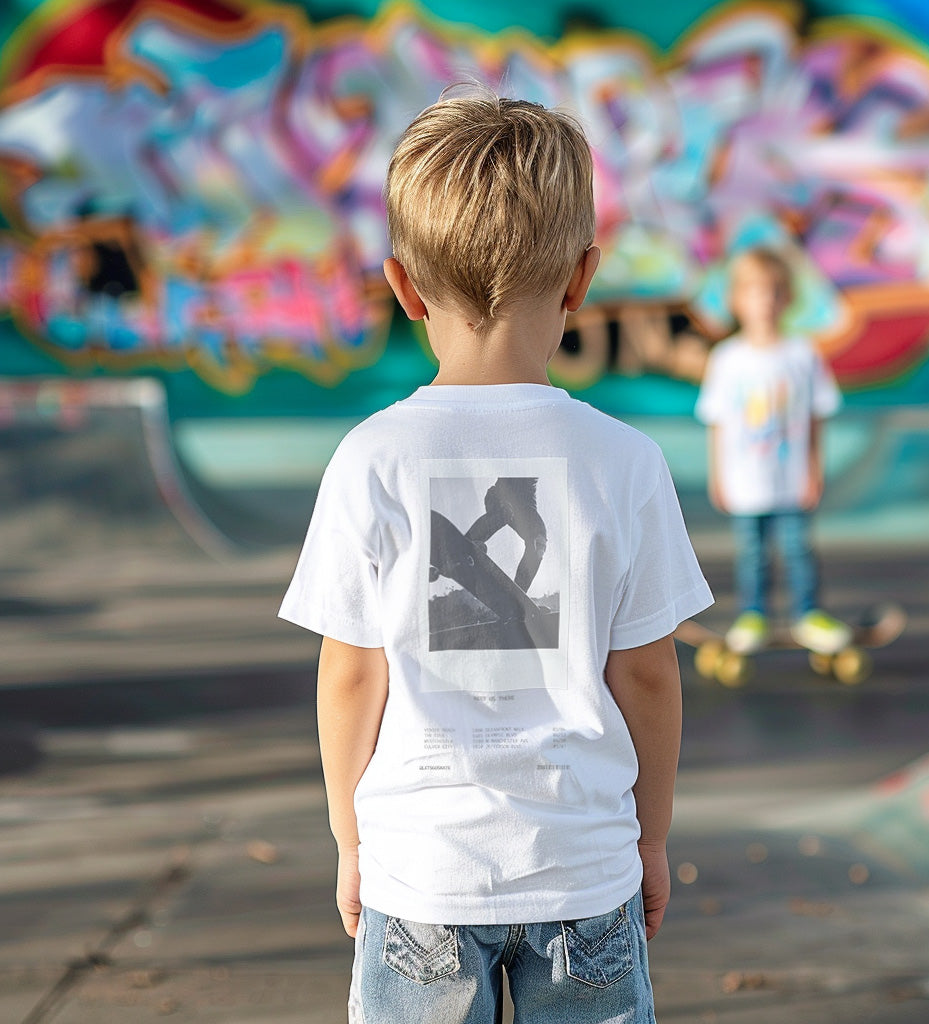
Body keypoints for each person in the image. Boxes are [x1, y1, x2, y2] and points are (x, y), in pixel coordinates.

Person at [279, 88, 713, 1024]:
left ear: (401, 286)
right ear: (582, 279)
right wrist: (651, 838)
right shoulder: (626, 461)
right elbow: (646, 672)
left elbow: (353, 674)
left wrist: (351, 840)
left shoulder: (373, 458)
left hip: (422, 873)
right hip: (584, 870)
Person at [695, 247, 851, 655]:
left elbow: (817, 416)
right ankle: (753, 614)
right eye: (753, 292)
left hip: (792, 479)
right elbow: (717, 423)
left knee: (799, 548)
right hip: (745, 482)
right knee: (752, 552)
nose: (763, 302)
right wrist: (719, 476)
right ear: (736, 300)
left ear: (787, 298)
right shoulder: (726, 359)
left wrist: (815, 469)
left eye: (772, 292)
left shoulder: (803, 355)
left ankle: (808, 614)